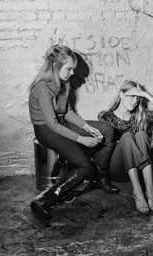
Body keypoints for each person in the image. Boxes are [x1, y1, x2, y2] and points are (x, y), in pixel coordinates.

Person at [29, 45, 119, 220]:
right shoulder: (42, 88)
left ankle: (100, 177)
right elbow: (53, 124)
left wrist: (86, 127)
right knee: (85, 166)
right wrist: (82, 139)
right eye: (68, 68)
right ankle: (45, 201)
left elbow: (67, 112)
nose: (71, 73)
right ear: (55, 66)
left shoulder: (64, 83)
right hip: (47, 130)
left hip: (62, 123)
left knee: (107, 129)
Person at [98, 80, 153, 214]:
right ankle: (138, 193)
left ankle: (149, 192)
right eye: (131, 96)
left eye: (138, 98)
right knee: (127, 137)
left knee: (141, 134)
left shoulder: (140, 115)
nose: (135, 101)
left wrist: (146, 94)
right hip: (117, 169)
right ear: (121, 95)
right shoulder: (107, 117)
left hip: (138, 169)